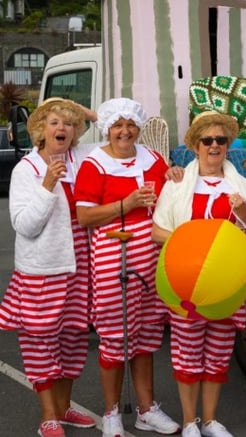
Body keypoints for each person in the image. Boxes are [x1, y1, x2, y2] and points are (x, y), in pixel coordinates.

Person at [74, 97, 180, 437]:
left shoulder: (153, 158)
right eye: (118, 125)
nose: (125, 131)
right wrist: (127, 203)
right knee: (116, 337)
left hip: (152, 253)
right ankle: (111, 412)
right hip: (113, 254)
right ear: (108, 128)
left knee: (148, 334)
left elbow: (169, 197)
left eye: (130, 125)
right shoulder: (95, 163)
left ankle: (146, 409)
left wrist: (175, 173)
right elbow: (85, 216)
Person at [151, 111, 246, 437]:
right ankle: (189, 422)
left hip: (225, 288)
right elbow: (158, 230)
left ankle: (210, 420)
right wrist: (192, 245)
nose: (214, 146)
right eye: (207, 140)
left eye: (221, 140)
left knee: (217, 355)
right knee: (187, 357)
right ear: (196, 146)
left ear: (228, 145)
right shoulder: (179, 183)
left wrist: (241, 211)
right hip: (187, 285)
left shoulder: (240, 184)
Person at [0, 98, 96, 437]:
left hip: (79, 268)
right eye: (54, 122)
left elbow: (121, 138)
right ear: (41, 129)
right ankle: (48, 417)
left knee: (72, 340)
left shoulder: (82, 158)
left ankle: (66, 408)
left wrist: (87, 113)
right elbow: (24, 225)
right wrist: (47, 187)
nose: (62, 129)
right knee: (41, 344)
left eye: (68, 124)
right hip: (42, 271)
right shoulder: (26, 170)